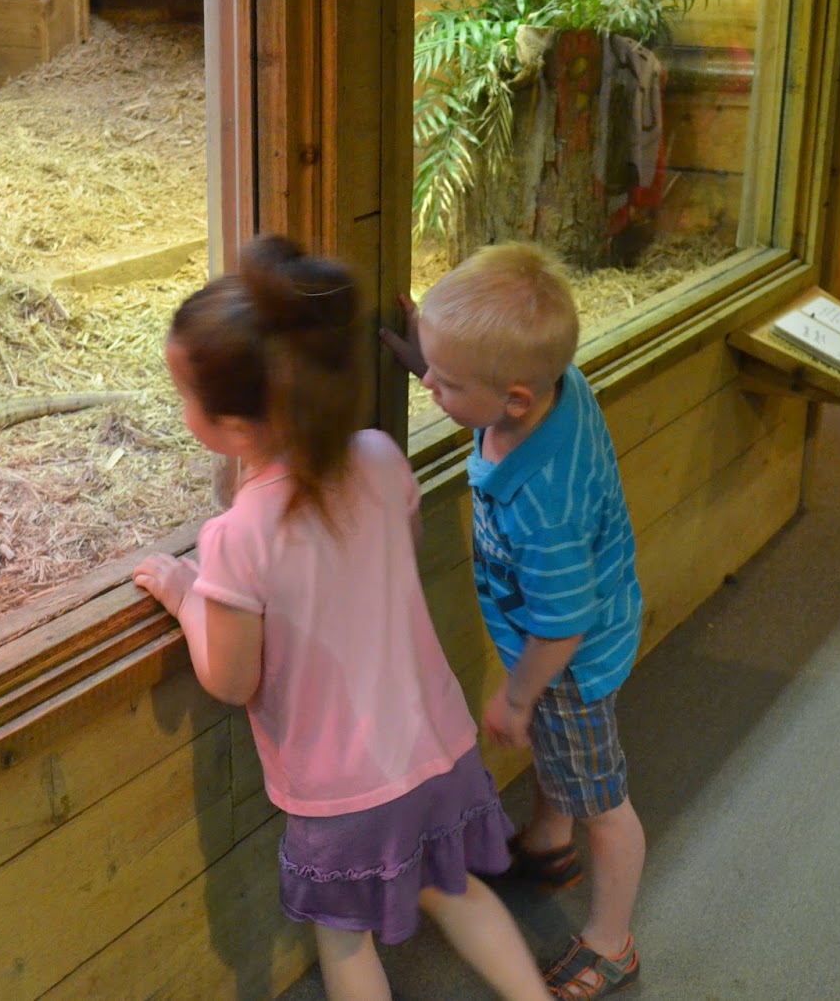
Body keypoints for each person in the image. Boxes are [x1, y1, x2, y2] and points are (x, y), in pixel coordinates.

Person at [133, 236, 547, 1001]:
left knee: (344, 938)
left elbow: (231, 678)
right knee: (456, 889)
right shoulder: (381, 457)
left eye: (185, 394)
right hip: (439, 749)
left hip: (344, 793)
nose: (182, 408)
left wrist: (186, 594)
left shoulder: (236, 534)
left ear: (233, 427)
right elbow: (399, 553)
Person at [383, 243, 648, 1000]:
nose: (430, 386)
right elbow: (489, 378)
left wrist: (518, 695)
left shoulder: (544, 506)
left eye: (446, 383)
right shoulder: (552, 385)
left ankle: (612, 942)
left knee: (604, 802)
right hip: (575, 625)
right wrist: (436, 358)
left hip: (569, 663)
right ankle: (547, 844)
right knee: (563, 764)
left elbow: (562, 624)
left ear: (517, 400)